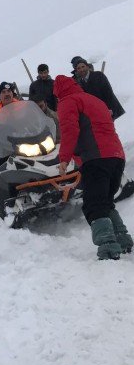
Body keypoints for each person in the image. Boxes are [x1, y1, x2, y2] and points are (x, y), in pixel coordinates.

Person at [54, 74, 132, 260]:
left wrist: (64, 158)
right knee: (105, 201)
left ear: (58, 92)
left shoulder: (67, 102)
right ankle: (123, 240)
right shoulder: (94, 99)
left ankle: (107, 247)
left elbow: (70, 129)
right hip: (117, 156)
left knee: (94, 204)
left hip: (96, 158)